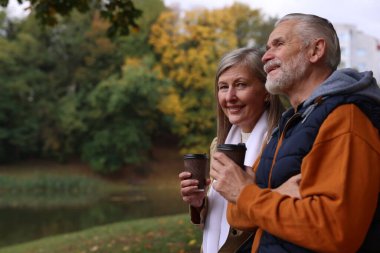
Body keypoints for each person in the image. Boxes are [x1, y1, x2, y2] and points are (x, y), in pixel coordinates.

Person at [210, 13, 380, 252]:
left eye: (278, 44)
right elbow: (237, 215)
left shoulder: (346, 118)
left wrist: (247, 194)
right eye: (267, 47)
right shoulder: (289, 123)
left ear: (315, 50)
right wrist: (270, 195)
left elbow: (335, 230)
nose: (266, 56)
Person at [179, 47, 286, 253]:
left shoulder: (282, 141)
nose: (229, 97)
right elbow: (216, 221)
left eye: (241, 85)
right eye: (223, 87)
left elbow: (284, 216)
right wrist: (198, 202)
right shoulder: (218, 144)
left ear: (267, 91)